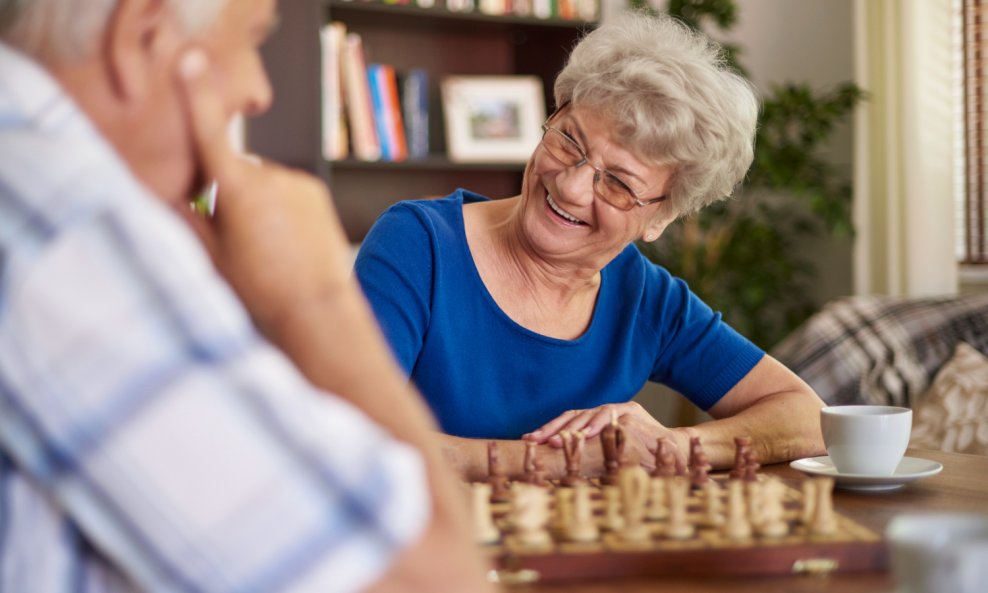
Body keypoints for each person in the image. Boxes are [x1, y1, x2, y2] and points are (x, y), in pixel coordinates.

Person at [0, 1, 492, 592]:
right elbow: (433, 580)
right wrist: (314, 295)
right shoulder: (75, 230)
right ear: (143, 36)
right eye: (252, 41)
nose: (258, 93)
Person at [355, 10, 827, 480]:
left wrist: (670, 446)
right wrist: (557, 461)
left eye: (618, 183)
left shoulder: (645, 300)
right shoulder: (419, 246)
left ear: (660, 217)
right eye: (568, 142)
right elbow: (349, 437)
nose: (573, 187)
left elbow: (808, 418)